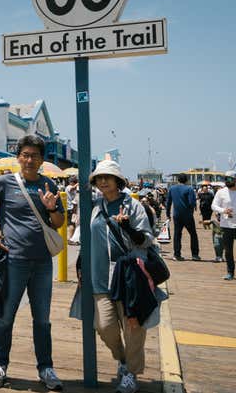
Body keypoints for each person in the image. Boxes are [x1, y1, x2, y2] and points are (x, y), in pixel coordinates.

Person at [0, 135, 65, 390]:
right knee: (5, 317)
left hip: (43, 263)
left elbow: (58, 223)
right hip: (13, 261)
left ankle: (45, 368)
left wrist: (50, 208)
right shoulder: (4, 183)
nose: (29, 160)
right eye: (25, 154)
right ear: (18, 157)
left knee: (42, 319)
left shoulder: (49, 186)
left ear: (42, 160)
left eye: (35, 155)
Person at [86, 160, 156, 393]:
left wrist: (127, 227)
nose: (103, 181)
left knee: (133, 327)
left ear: (118, 181)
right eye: (99, 178)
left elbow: (146, 239)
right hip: (100, 277)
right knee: (104, 325)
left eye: (108, 177)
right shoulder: (94, 206)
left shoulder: (132, 205)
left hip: (128, 278)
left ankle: (131, 373)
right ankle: (123, 359)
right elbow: (85, 236)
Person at [166, 174, 200, 261]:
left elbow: (168, 202)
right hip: (187, 215)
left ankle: (177, 255)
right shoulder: (189, 189)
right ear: (186, 180)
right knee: (193, 234)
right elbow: (191, 203)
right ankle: (195, 255)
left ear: (178, 180)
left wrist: (167, 214)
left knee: (177, 234)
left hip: (176, 215)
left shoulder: (172, 189)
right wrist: (191, 211)